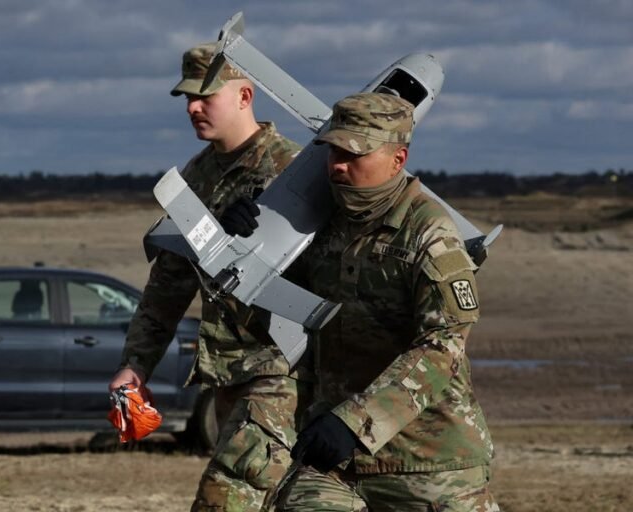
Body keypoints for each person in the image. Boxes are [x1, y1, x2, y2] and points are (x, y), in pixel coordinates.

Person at [271, 92, 498, 510]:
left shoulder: (430, 234)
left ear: (398, 158)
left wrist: (353, 423)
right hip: (336, 462)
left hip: (430, 464)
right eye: (333, 152)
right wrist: (250, 237)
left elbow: (441, 349)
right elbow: (265, 317)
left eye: (354, 154)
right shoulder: (319, 229)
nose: (338, 166)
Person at [108, 42, 308, 511]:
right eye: (186, 99)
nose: (193, 107)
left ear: (245, 96)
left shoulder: (295, 171)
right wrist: (135, 365)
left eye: (205, 96)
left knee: (225, 500)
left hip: (283, 373)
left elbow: (335, 271)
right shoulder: (195, 180)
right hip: (228, 379)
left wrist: (264, 238)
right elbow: (167, 288)